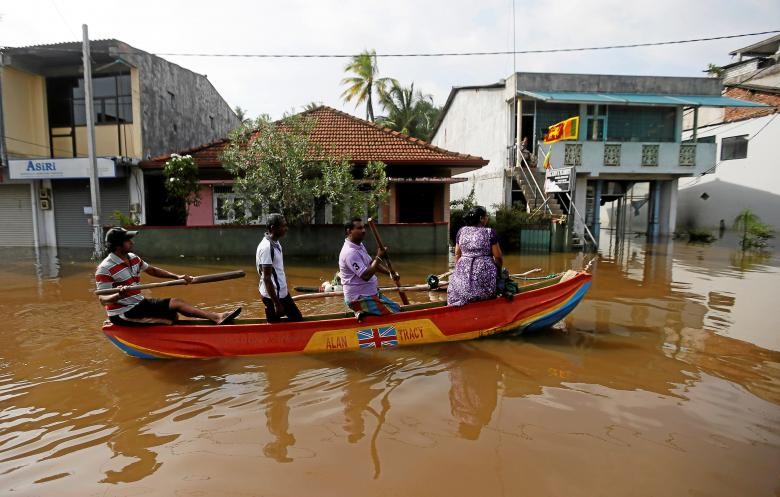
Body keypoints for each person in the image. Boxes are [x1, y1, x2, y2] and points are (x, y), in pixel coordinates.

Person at [96, 227, 241, 325]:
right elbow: (103, 300)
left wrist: (176, 277)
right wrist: (118, 296)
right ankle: (216, 318)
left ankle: (216, 317)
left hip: (139, 303)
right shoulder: (105, 268)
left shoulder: (133, 257)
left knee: (174, 310)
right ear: (117, 246)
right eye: (128, 240)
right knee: (171, 314)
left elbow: (152, 270)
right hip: (124, 312)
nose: (132, 242)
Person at [338, 217, 400, 318]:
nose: (363, 231)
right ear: (349, 231)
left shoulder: (359, 245)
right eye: (359, 228)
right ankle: (359, 311)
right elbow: (365, 275)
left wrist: (390, 273)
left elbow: (371, 263)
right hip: (359, 298)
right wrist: (379, 256)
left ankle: (364, 313)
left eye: (363, 228)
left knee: (396, 307)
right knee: (394, 313)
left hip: (370, 294)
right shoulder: (349, 253)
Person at [447, 206, 504, 307]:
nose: (487, 218)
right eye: (486, 216)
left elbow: (457, 254)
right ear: (481, 218)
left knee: (458, 288)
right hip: (484, 276)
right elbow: (498, 257)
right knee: (501, 278)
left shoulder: (461, 231)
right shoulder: (489, 232)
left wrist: (459, 272)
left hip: (462, 277)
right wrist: (498, 273)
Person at [256, 213, 303, 323]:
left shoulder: (275, 243)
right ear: (273, 228)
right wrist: (277, 304)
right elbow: (266, 278)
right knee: (296, 321)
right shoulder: (267, 248)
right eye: (283, 226)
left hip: (281, 292)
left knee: (284, 322)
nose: (286, 229)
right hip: (274, 296)